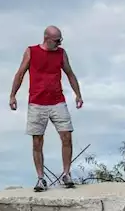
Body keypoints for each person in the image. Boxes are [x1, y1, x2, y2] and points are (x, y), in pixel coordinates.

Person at [9, 25, 83, 191]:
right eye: (57, 40)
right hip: (37, 103)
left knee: (66, 136)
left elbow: (70, 73)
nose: (59, 43)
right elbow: (20, 73)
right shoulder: (31, 51)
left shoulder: (61, 53)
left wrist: (78, 94)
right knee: (37, 141)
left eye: (60, 40)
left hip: (57, 101)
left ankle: (66, 174)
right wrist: (12, 95)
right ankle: (41, 178)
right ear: (47, 38)